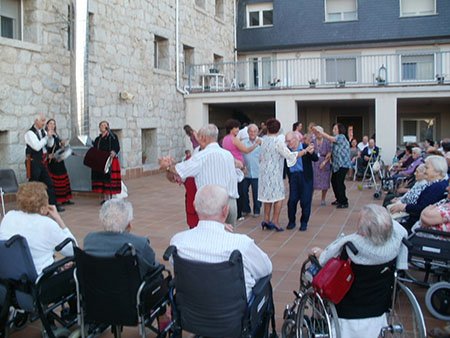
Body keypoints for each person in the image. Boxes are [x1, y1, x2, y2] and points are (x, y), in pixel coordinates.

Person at [311, 204, 408, 338]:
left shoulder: (353, 244)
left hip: (349, 308)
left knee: (314, 266)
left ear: (364, 232)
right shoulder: (395, 243)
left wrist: (319, 253)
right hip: (378, 306)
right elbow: (399, 229)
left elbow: (325, 259)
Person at [170, 184, 272, 299]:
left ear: (195, 206)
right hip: (234, 313)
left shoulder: (177, 242)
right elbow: (266, 269)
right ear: (225, 211)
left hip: (191, 311)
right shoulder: (241, 244)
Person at [83, 199, 170, 330]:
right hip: (131, 300)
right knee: (159, 275)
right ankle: (163, 317)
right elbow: (153, 266)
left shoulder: (89, 240)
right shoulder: (139, 243)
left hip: (98, 297)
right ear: (129, 224)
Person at [160, 124, 240, 227]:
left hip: (214, 204)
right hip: (231, 203)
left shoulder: (201, 156)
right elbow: (238, 174)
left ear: (203, 138)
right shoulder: (227, 155)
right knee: (228, 238)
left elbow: (180, 170)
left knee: (212, 238)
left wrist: (167, 166)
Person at [0, 182, 75, 275]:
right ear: (44, 204)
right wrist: (58, 218)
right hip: (40, 279)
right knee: (74, 265)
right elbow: (72, 250)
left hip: (11, 276)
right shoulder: (47, 224)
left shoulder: (9, 216)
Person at [258, 118, 301, 231]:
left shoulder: (263, 140)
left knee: (267, 197)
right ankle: (275, 221)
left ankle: (266, 219)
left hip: (263, 173)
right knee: (278, 197)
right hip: (274, 172)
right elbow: (289, 155)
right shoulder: (278, 141)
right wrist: (303, 152)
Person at [389, 155, 449, 231]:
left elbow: (422, 209)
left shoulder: (436, 187)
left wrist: (404, 207)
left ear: (437, 171)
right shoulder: (437, 184)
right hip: (415, 221)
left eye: (427, 168)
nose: (425, 171)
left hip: (416, 226)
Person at [222, 119, 260, 221]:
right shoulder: (234, 139)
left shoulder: (225, 139)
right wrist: (256, 145)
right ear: (232, 129)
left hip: (230, 167)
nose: (238, 130)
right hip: (238, 168)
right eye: (237, 128)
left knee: (239, 190)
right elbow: (246, 150)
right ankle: (238, 213)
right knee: (239, 191)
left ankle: (240, 211)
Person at [25, 113, 61, 211]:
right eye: (42, 121)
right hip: (33, 162)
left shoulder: (43, 132)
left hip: (41, 161)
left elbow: (49, 145)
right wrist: (46, 137)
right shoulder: (30, 133)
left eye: (44, 121)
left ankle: (53, 205)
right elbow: (37, 147)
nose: (44, 123)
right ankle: (31, 206)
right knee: (33, 184)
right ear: (36, 121)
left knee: (49, 183)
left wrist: (50, 137)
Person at [313, 123, 352, 209]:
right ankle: (338, 199)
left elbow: (330, 138)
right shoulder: (335, 140)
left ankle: (344, 201)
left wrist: (321, 132)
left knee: (339, 183)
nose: (333, 130)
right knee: (334, 181)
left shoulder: (341, 137)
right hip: (336, 165)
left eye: (335, 129)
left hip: (343, 164)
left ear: (339, 130)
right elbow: (331, 149)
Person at [285, 132, 318, 231]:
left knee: (305, 201)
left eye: (289, 141)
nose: (288, 143)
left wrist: (312, 153)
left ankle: (304, 223)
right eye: (287, 141)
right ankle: (291, 222)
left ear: (296, 139)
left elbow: (315, 159)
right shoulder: (287, 150)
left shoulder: (305, 146)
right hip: (294, 177)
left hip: (305, 177)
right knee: (292, 201)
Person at [91, 121, 122, 203]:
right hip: (102, 161)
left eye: (105, 125)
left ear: (108, 127)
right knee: (103, 179)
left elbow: (117, 146)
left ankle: (111, 198)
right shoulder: (98, 139)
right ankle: (105, 198)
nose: (103, 126)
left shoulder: (113, 137)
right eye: (101, 125)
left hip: (110, 160)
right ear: (99, 128)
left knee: (109, 179)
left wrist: (114, 152)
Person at [45, 119, 74, 207]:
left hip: (59, 159)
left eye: (54, 124)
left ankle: (65, 199)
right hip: (52, 161)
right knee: (55, 180)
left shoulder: (56, 135)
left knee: (63, 178)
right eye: (50, 124)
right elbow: (44, 147)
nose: (52, 125)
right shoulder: (45, 135)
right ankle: (56, 200)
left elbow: (58, 146)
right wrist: (48, 155)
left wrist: (62, 144)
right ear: (47, 125)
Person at [242, 124, 262, 217]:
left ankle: (257, 210)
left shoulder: (261, 142)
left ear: (257, 132)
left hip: (257, 172)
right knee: (243, 191)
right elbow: (241, 155)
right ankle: (246, 209)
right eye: (251, 131)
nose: (252, 133)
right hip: (246, 172)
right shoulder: (243, 142)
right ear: (248, 132)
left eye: (254, 131)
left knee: (256, 192)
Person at [312, 126, 332, 206]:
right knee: (313, 181)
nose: (318, 134)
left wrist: (324, 162)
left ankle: (323, 199)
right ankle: (310, 198)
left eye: (319, 132)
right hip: (314, 163)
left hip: (324, 162)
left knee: (325, 182)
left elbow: (329, 153)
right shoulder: (313, 141)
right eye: (316, 132)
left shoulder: (327, 142)